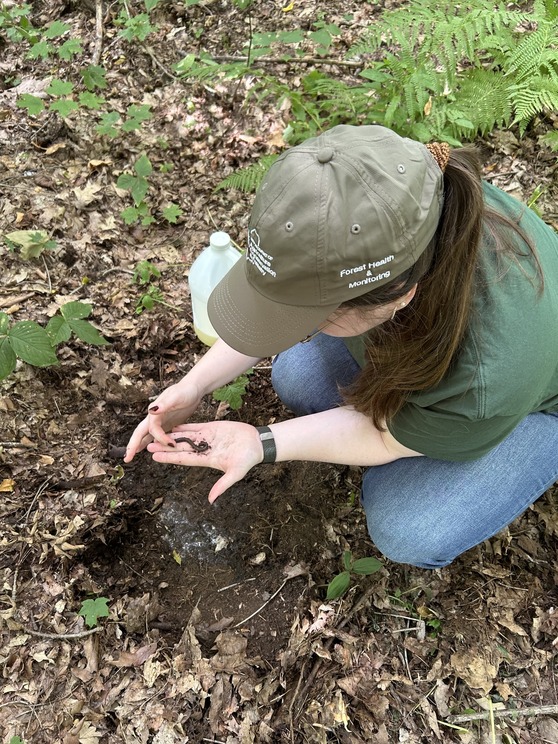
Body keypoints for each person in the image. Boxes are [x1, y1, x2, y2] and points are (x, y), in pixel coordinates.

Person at [124, 125, 558, 569]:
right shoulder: (376, 200)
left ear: (399, 298)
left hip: (534, 400)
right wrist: (194, 386)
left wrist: (262, 443)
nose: (298, 326)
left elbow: (386, 439)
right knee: (298, 376)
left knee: (409, 527)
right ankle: (432, 434)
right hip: (443, 351)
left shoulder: (486, 373)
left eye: (313, 315)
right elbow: (278, 308)